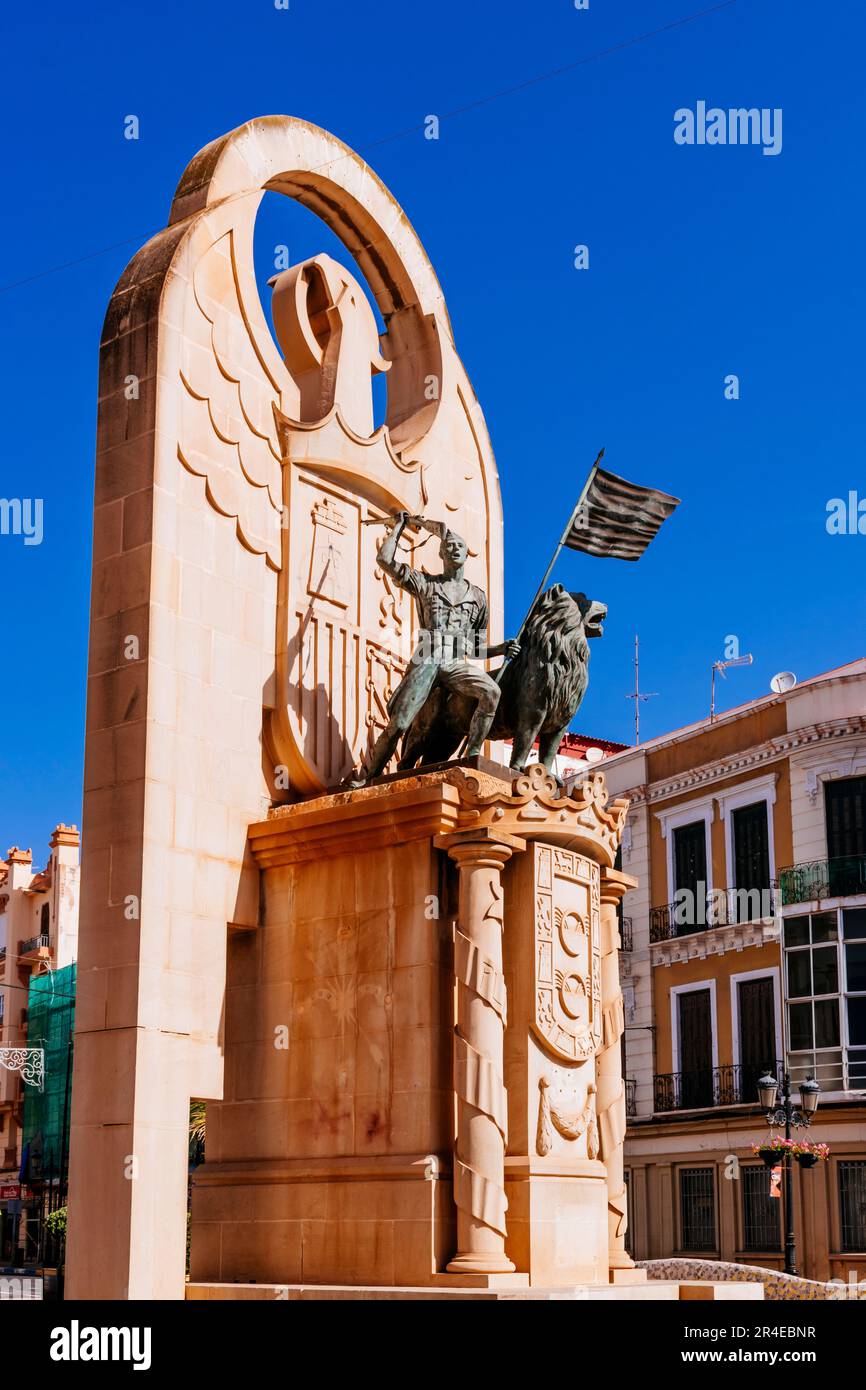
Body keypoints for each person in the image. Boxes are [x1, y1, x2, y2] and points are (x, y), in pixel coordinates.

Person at [353, 510, 520, 783]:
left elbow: (475, 648)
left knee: (491, 691)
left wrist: (501, 649)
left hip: (455, 662)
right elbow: (384, 560)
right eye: (449, 546)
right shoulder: (426, 583)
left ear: (466, 555)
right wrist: (399, 527)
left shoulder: (478, 597)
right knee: (400, 722)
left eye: (459, 547)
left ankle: (474, 752)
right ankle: (368, 777)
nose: (454, 549)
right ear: (441, 554)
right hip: (427, 657)